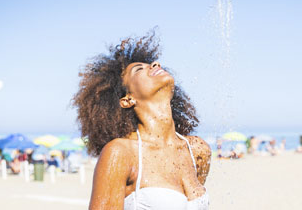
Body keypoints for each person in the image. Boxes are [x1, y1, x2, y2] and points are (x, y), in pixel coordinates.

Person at [73, 32, 211, 210]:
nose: (155, 64)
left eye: (151, 63)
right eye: (139, 69)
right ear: (127, 99)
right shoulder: (121, 153)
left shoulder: (198, 150)